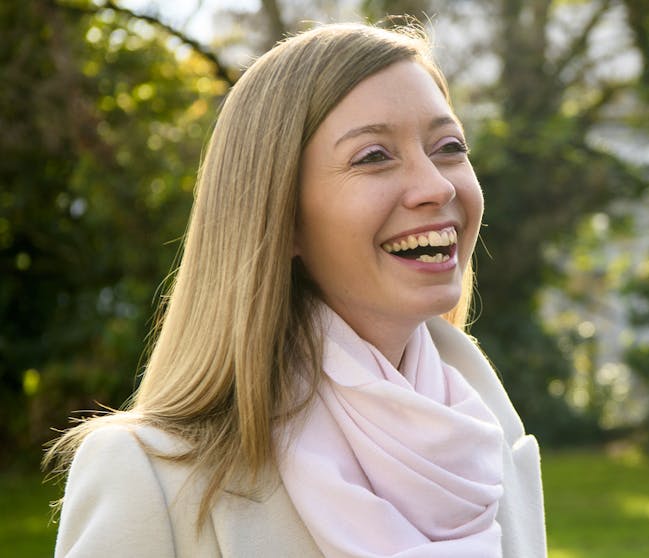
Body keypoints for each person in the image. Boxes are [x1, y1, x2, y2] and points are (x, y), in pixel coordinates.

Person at [45, 21, 546, 558]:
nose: (437, 186)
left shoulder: (489, 441)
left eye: (448, 147)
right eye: (374, 156)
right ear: (281, 216)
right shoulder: (150, 478)